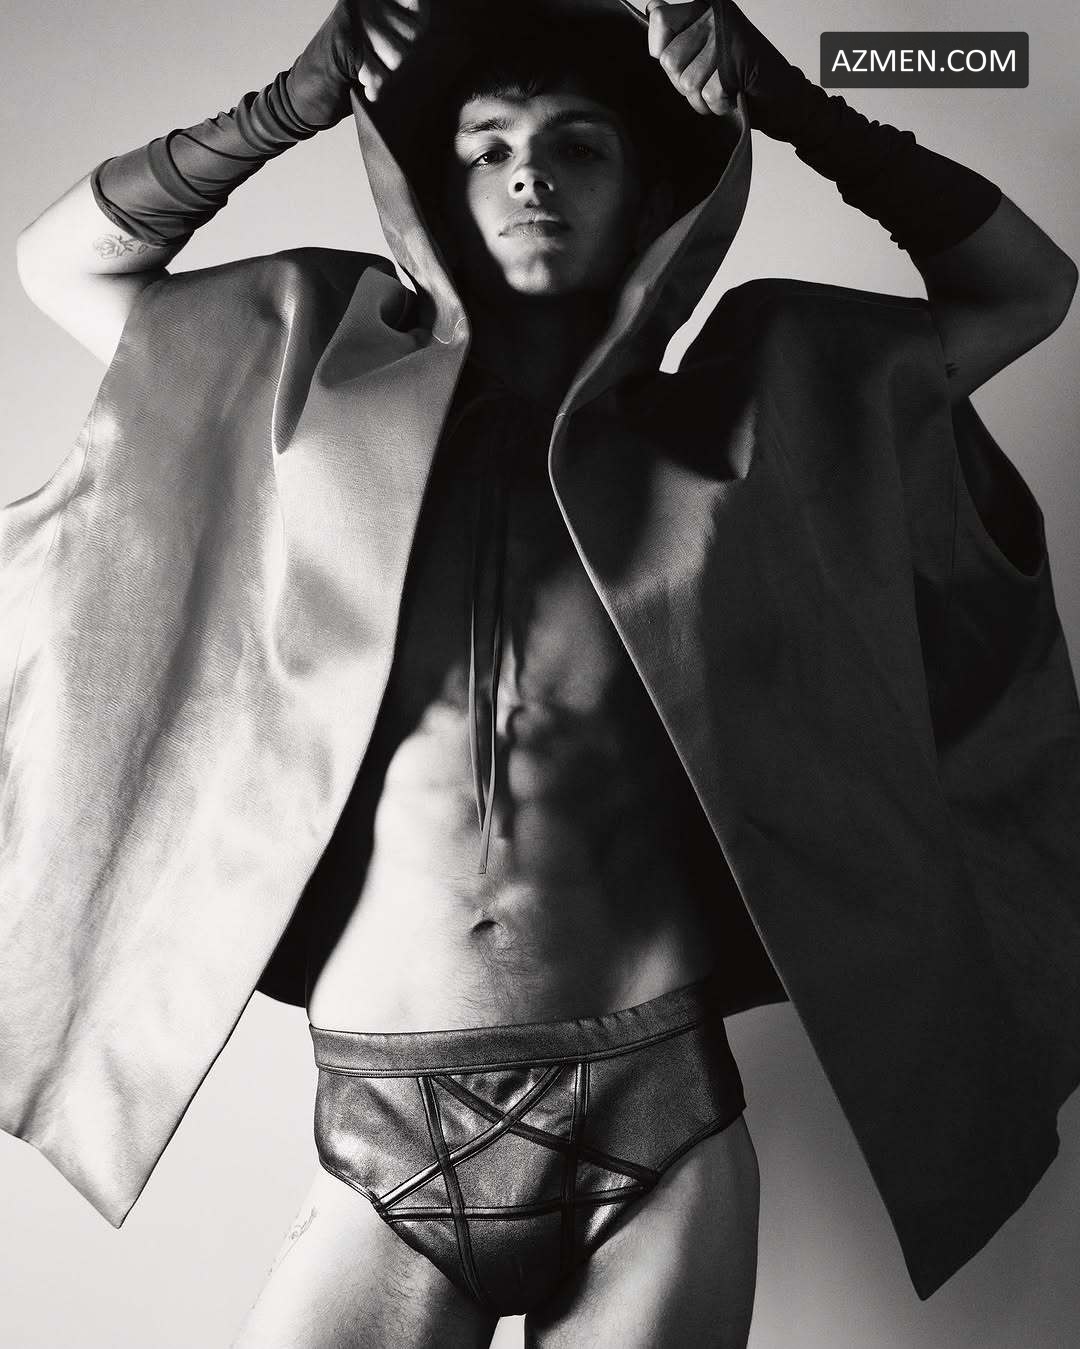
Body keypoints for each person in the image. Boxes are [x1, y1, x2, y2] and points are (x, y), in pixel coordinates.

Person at [4, 1, 1079, 1345]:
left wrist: (794, 103)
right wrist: (284, 108)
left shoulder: (752, 423)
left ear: (655, 195)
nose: (531, 176)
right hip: (387, 1111)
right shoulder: (304, 395)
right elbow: (61, 267)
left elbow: (1026, 291)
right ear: (435, 191)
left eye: (580, 147)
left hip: (658, 1110)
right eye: (490, 147)